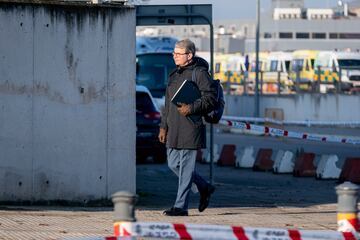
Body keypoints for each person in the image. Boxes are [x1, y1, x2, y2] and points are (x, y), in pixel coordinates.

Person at [158, 39, 217, 216]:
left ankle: (180, 207)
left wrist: (191, 108)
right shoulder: (174, 74)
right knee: (173, 164)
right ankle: (204, 186)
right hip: (173, 128)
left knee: (185, 168)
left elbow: (211, 98)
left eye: (178, 53)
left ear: (189, 55)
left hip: (191, 127)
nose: (174, 56)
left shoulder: (200, 73)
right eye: (174, 53)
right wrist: (163, 126)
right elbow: (168, 104)